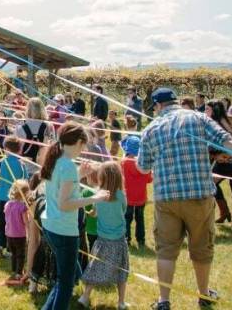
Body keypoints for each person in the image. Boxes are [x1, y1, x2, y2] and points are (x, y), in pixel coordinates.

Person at [137, 88, 232, 310]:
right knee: (201, 247)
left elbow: (142, 168)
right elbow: (227, 141)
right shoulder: (199, 118)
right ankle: (204, 295)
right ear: (176, 102)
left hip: (167, 199)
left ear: (158, 106)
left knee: (166, 250)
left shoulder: (151, 129)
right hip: (199, 195)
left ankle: (164, 301)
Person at [39, 122, 107, 310]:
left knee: (70, 275)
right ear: (78, 142)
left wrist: (79, 174)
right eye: (83, 145)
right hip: (63, 230)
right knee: (66, 284)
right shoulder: (67, 165)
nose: (83, 150)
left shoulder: (58, 159)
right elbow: (65, 204)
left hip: (51, 225)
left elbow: (61, 187)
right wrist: (95, 198)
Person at [78, 161, 129, 310]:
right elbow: (123, 211)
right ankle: (121, 302)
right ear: (119, 178)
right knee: (121, 271)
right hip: (118, 241)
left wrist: (90, 213)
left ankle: (85, 296)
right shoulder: (121, 196)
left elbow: (95, 212)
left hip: (102, 240)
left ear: (101, 177)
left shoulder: (98, 196)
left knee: (95, 267)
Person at [205, 100, 232, 228]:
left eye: (207, 109)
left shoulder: (213, 124)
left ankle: (226, 214)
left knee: (211, 183)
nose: (205, 112)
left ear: (214, 110)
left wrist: (215, 154)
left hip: (228, 161)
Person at [0, 136, 27, 257]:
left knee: (2, 222)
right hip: (15, 200)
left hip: (2, 198)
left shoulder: (3, 162)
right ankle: (9, 249)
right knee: (13, 224)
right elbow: (25, 181)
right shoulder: (21, 164)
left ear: (6, 149)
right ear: (19, 150)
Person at [121, 136, 151, 247]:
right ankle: (141, 240)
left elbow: (120, 177)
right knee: (140, 219)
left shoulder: (123, 163)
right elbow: (149, 179)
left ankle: (126, 239)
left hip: (127, 198)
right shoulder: (143, 164)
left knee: (126, 218)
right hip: (140, 198)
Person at [15, 98, 55, 173]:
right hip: (43, 168)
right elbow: (53, 146)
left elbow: (15, 148)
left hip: (24, 167)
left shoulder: (20, 125)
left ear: (27, 109)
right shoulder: (49, 126)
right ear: (42, 109)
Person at [4, 179, 31, 285]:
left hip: (9, 234)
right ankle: (19, 273)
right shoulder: (22, 207)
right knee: (20, 254)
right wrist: (29, 230)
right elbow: (25, 221)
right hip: (19, 235)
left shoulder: (7, 204)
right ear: (24, 194)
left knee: (14, 254)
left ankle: (14, 270)